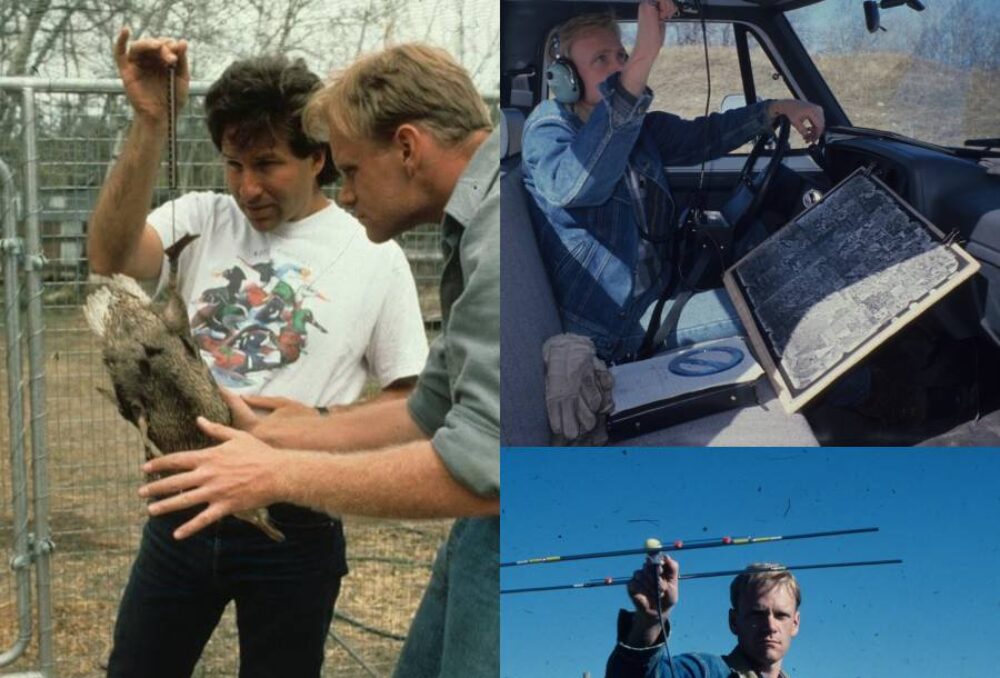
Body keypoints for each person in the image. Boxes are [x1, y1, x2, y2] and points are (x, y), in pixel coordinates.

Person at [136, 43, 500, 678]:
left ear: (409, 148)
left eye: (352, 170)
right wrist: (298, 430)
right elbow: (430, 408)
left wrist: (281, 473)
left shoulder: (500, 240)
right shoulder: (472, 224)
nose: (348, 194)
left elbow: (480, 469)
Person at [88, 29, 428, 677]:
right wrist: (150, 123)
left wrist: (318, 430)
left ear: (317, 158)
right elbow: (109, 259)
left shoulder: (374, 252)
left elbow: (410, 396)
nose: (247, 189)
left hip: (295, 520)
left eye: (267, 163)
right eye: (233, 165)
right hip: (181, 507)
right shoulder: (201, 218)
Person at [521, 2, 826, 365]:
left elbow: (703, 135)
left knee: (763, 245)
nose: (619, 65)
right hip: (620, 323)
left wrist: (774, 109)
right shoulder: (548, 127)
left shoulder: (640, 128)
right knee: (776, 309)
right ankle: (852, 405)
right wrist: (644, 54)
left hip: (663, 285)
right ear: (566, 80)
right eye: (601, 59)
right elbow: (578, 183)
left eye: (621, 55)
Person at [607, 557, 801, 678]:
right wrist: (650, 621)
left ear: (795, 623)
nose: (770, 626)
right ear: (734, 621)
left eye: (781, 615)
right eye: (756, 615)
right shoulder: (704, 671)